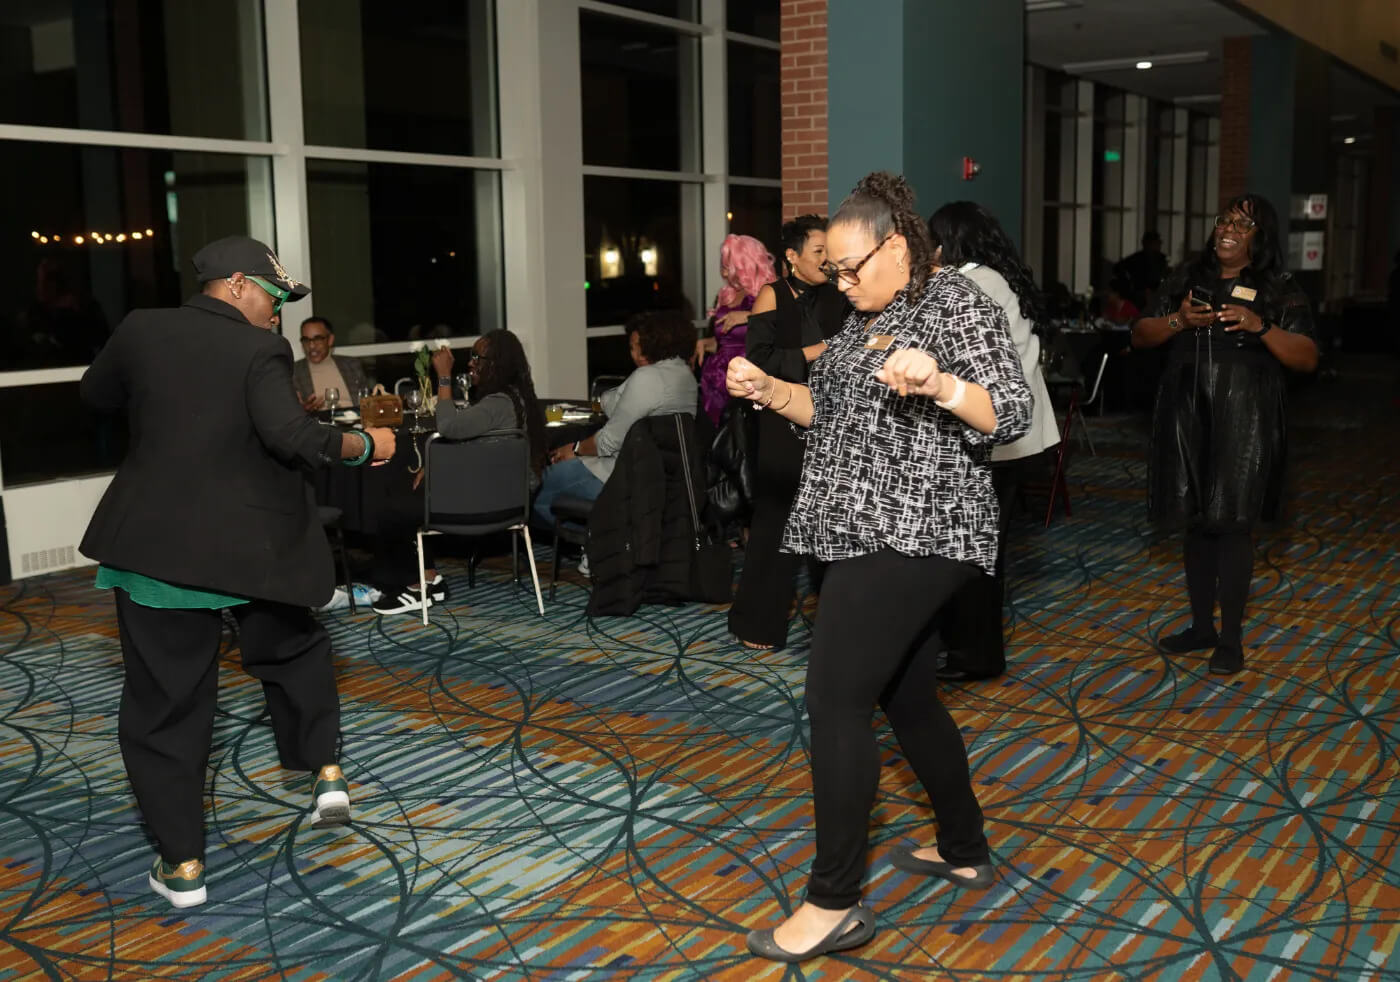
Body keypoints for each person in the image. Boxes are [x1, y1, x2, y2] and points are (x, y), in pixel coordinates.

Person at [726, 172, 1031, 963]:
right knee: (908, 696)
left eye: (852, 267)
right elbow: (828, 413)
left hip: (918, 531)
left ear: (897, 247)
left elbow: (1011, 410)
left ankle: (833, 903)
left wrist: (942, 383)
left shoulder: (957, 303)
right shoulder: (869, 315)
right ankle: (963, 845)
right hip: (859, 532)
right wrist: (770, 390)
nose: (842, 282)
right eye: (833, 271)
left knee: (834, 700)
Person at [78, 235, 396, 908]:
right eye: (274, 296)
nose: (279, 312)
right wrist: (365, 443)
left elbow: (96, 395)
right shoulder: (259, 350)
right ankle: (324, 768)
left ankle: (183, 866)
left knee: (167, 706)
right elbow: (291, 435)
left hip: (156, 546)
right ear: (235, 285)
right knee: (293, 648)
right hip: (252, 546)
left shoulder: (139, 328)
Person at [1131, 194, 1318, 675]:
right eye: (1224, 221)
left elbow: (1306, 357)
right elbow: (1140, 334)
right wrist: (1179, 320)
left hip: (1246, 416)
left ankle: (1230, 639)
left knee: (1233, 522)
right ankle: (1201, 627)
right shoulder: (1186, 279)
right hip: (1187, 411)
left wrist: (1261, 327)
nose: (1228, 230)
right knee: (1196, 519)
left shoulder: (1279, 287)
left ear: (1261, 237)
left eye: (1242, 224)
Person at [926, 200, 1060, 681]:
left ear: (947, 242)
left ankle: (976, 656)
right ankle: (968, 649)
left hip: (995, 438)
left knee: (975, 552)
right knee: (981, 549)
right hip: (1010, 438)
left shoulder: (974, 284)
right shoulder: (996, 278)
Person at [726, 214, 848, 650]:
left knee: (831, 520)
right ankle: (757, 624)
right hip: (780, 420)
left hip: (830, 416)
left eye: (831, 252)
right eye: (819, 252)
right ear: (793, 256)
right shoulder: (772, 295)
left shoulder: (841, 295)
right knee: (776, 519)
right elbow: (760, 360)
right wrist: (818, 352)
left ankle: (840, 624)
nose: (828, 260)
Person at [370, 329, 548, 615]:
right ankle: (429, 579)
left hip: (483, 504)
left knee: (393, 506)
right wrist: (434, 466)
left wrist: (443, 377)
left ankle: (417, 585)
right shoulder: (517, 397)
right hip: (508, 499)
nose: (470, 363)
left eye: (477, 357)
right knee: (406, 492)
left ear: (496, 363)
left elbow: (449, 427)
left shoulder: (497, 403)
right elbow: (479, 448)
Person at [533, 310, 697, 528]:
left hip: (619, 478)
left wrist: (575, 449)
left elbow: (608, 442)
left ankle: (593, 541)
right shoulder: (685, 376)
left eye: (635, 346)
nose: (634, 353)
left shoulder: (647, 378)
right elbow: (608, 401)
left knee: (535, 487)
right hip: (663, 481)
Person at [695, 234, 777, 425]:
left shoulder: (769, 293)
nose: (723, 273)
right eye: (723, 266)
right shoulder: (726, 296)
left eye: (728, 266)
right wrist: (707, 343)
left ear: (747, 264)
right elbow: (727, 341)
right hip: (716, 380)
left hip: (748, 381)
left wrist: (749, 316)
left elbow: (783, 327)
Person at [293, 316, 370, 412]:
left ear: (330, 340)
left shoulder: (351, 364)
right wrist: (303, 410)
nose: (311, 346)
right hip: (319, 420)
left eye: (318, 339)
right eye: (306, 340)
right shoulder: (293, 371)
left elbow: (367, 401)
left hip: (355, 417)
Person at [1114, 230, 1169, 309]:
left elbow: (1163, 277)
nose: (1158, 245)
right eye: (1155, 243)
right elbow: (1118, 269)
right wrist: (1131, 285)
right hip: (1139, 295)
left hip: (1157, 294)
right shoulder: (1136, 259)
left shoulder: (1161, 259)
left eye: (1158, 243)